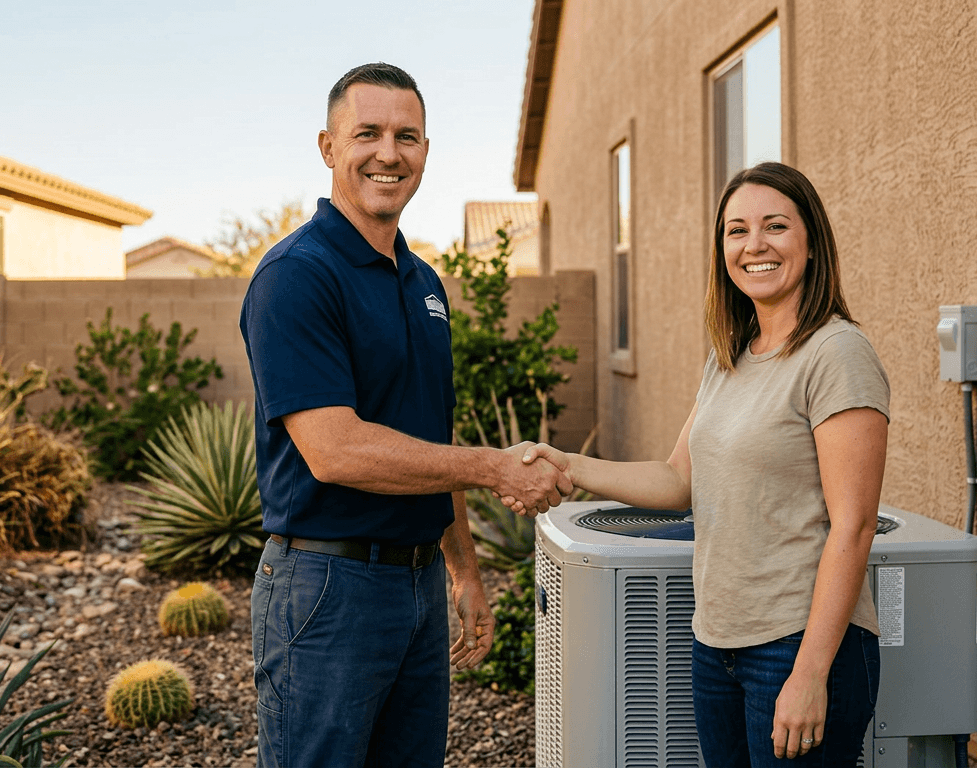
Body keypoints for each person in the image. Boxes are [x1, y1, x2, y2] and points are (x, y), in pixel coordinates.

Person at [240, 62, 571, 768]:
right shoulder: (297, 276)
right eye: (368, 133)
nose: (389, 153)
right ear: (329, 148)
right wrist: (492, 467)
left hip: (418, 587)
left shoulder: (423, 283)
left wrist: (465, 573)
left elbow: (427, 441)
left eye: (407, 136)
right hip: (326, 591)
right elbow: (337, 450)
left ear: (425, 150)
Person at [519, 162, 887, 766]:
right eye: (736, 231)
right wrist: (568, 465)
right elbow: (677, 480)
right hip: (716, 642)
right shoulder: (730, 357)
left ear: (813, 244)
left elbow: (854, 526)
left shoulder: (837, 353)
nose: (754, 246)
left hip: (797, 645)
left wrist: (810, 673)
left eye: (776, 227)